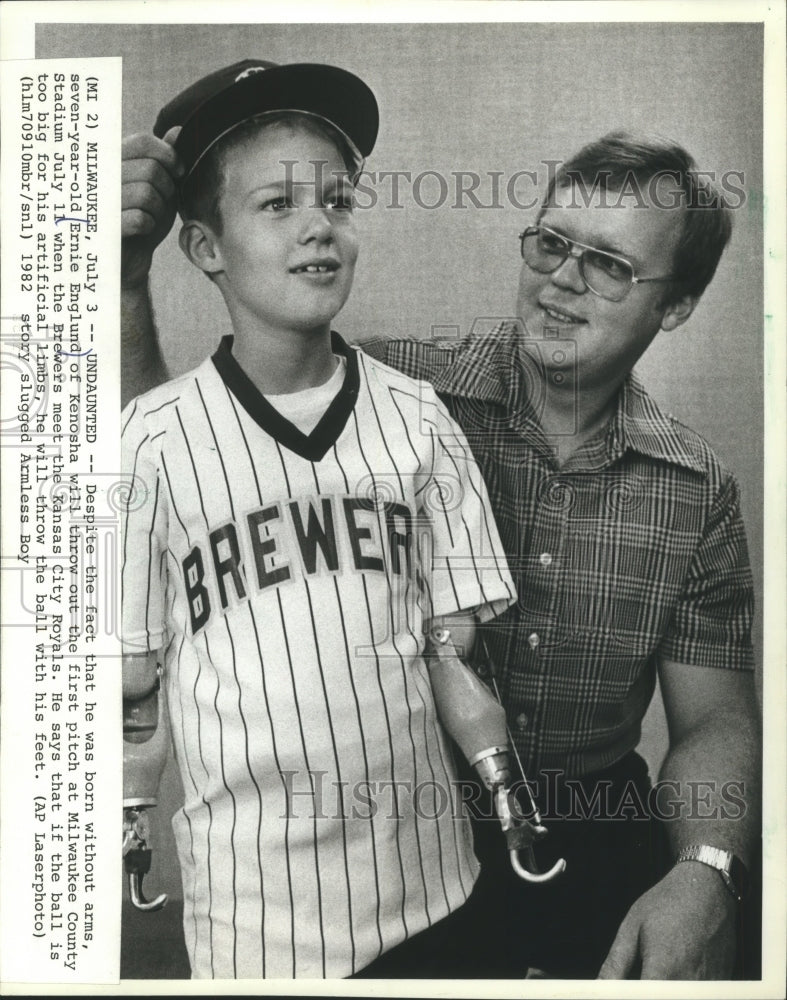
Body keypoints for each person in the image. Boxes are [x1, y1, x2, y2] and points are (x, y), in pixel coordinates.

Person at [121, 124, 761, 980]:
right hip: (404, 837)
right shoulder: (391, 395)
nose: (561, 279)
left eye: (607, 264)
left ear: (674, 303)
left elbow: (713, 720)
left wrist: (705, 871)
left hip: (597, 828)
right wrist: (126, 285)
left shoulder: (696, 489)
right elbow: (181, 477)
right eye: (550, 243)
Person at [121, 59, 516, 980]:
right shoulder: (149, 437)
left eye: (337, 202)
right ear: (204, 247)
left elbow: (449, 651)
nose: (318, 228)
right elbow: (134, 686)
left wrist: (505, 794)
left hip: (434, 888)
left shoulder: (418, 416)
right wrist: (128, 815)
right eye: (275, 205)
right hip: (253, 924)